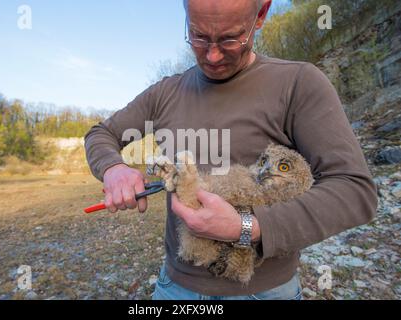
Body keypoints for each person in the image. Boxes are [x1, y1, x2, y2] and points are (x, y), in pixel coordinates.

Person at [84, 0, 378, 300]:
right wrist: (113, 168)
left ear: (261, 14)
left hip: (265, 291)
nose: (212, 55)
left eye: (229, 38)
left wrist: (247, 226)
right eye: (198, 36)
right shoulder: (164, 92)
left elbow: (354, 190)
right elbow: (101, 134)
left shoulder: (298, 83)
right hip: (175, 288)